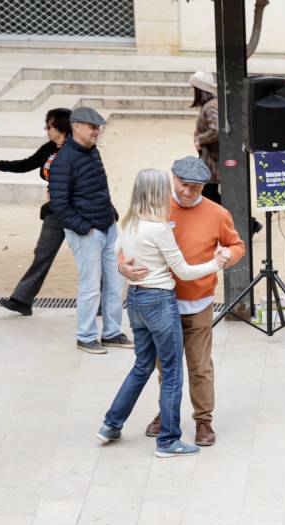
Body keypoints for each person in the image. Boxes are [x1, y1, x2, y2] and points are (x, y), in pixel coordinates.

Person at [96, 169, 231, 457]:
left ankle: (111, 423)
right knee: (171, 372)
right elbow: (182, 270)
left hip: (135, 300)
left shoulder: (130, 221)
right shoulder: (159, 228)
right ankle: (169, 440)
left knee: (143, 365)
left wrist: (124, 268)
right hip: (160, 301)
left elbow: (117, 250)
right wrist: (215, 265)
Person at [122, 157, 246, 447]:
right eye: (183, 184)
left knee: (199, 365)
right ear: (173, 179)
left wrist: (229, 256)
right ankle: (167, 416)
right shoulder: (155, 207)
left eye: (196, 187)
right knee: (166, 364)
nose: (189, 191)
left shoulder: (217, 213)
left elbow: (236, 244)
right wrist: (122, 266)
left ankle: (203, 419)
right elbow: (127, 239)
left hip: (198, 301)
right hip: (159, 301)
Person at [49, 106, 127, 355]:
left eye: (99, 126)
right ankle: (85, 336)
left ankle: (112, 332)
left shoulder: (92, 152)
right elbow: (59, 205)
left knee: (115, 283)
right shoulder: (63, 160)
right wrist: (87, 230)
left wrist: (111, 215)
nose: (98, 131)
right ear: (77, 127)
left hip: (107, 227)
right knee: (91, 286)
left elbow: (99, 188)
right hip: (87, 234)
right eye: (93, 127)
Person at [0, 107, 71, 316]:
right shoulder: (50, 147)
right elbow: (27, 164)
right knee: (42, 253)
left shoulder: (78, 149)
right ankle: (22, 300)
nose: (46, 129)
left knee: (88, 258)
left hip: (76, 212)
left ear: (61, 127)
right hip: (55, 211)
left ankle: (103, 302)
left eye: (49, 126)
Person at [189, 70, 220, 203]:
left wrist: (200, 139)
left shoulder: (210, 107)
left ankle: (252, 223)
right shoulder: (210, 105)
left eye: (194, 88)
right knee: (210, 196)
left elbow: (216, 130)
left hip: (212, 161)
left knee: (208, 197)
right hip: (210, 160)